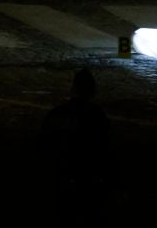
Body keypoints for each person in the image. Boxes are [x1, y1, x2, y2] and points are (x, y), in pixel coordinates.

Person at [39, 68, 112, 226]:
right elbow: (106, 150)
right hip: (87, 178)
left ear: (73, 89)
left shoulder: (56, 113)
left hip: (62, 175)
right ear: (92, 91)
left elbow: (44, 145)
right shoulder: (97, 115)